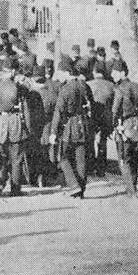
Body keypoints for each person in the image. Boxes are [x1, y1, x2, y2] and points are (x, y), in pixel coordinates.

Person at [0, 58, 28, 196]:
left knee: (0, 156)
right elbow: (25, 110)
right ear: (13, 71)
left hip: (0, 122)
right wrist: (28, 128)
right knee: (16, 158)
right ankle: (15, 188)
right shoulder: (18, 87)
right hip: (15, 122)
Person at [50, 60, 93, 199]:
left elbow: (58, 112)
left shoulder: (65, 89)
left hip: (70, 125)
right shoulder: (83, 86)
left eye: (60, 73)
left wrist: (53, 132)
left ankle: (74, 185)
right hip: (83, 124)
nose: (58, 76)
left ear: (67, 73)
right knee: (81, 158)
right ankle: (81, 190)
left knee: (62, 156)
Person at [111, 60, 138, 196]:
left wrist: (113, 125)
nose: (112, 75)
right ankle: (133, 185)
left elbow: (115, 110)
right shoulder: (137, 86)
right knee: (135, 157)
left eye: (114, 72)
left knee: (124, 159)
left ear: (122, 73)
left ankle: (131, 190)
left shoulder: (119, 89)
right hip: (137, 124)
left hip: (124, 125)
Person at [87, 65, 115, 176]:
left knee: (90, 142)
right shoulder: (111, 85)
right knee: (102, 142)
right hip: (106, 117)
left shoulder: (89, 84)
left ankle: (90, 167)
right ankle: (101, 169)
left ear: (94, 72)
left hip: (92, 117)